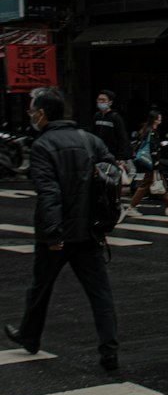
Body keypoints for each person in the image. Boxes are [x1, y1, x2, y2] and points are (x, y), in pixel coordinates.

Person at [4, 87, 120, 370]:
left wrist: (54, 232)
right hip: (89, 232)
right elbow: (112, 175)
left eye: (33, 111)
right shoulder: (89, 140)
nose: (31, 115)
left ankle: (30, 337)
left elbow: (49, 193)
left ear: (42, 114)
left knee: (40, 289)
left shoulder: (43, 146)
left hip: (56, 236)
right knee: (100, 294)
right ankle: (109, 352)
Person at [126, 110, 168, 217]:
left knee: (161, 184)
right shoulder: (152, 132)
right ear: (154, 120)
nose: (160, 120)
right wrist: (156, 163)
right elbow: (153, 148)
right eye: (159, 118)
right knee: (146, 185)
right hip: (151, 163)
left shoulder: (146, 130)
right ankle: (131, 207)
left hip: (148, 162)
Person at [92, 90, 132, 193]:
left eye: (103, 100)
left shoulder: (115, 118)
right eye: (99, 100)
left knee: (112, 180)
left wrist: (121, 157)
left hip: (112, 155)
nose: (100, 102)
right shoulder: (96, 116)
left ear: (110, 102)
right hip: (98, 155)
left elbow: (122, 138)